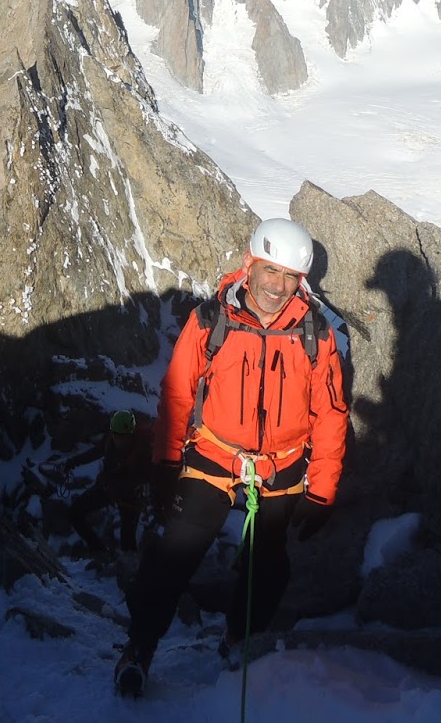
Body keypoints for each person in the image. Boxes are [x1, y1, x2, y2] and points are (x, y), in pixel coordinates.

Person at [115, 218, 348, 697]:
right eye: (270, 272)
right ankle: (139, 647)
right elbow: (178, 391)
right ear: (250, 265)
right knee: (173, 555)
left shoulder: (315, 334)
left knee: (269, 568)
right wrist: (165, 462)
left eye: (289, 277)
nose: (277, 287)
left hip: (280, 467)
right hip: (214, 456)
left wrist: (322, 490)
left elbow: (330, 413)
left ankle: (239, 641)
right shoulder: (211, 320)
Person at [69, 409, 152, 554]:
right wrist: (71, 462)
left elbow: (144, 477)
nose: (118, 439)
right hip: (109, 488)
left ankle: (128, 568)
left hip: (129, 497)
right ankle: (100, 552)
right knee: (75, 513)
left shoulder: (142, 451)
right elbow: (95, 452)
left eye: (122, 436)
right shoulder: (110, 440)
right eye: (115, 435)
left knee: (127, 539)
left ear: (131, 435)